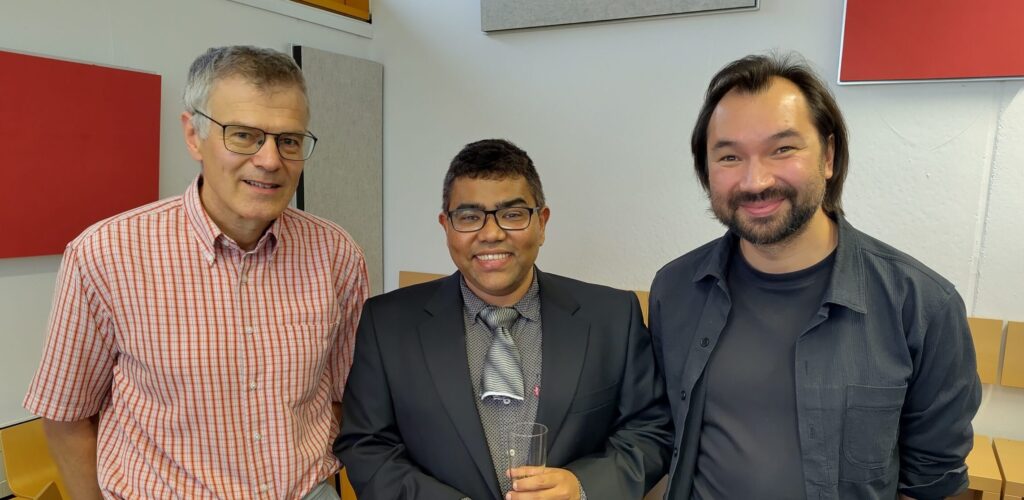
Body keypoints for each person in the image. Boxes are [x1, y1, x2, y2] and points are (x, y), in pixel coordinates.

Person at [23, 45, 368, 499]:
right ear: (193, 136)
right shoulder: (105, 255)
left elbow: (347, 398)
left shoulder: (337, 255)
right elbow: (66, 416)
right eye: (243, 135)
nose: (270, 160)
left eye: (288, 140)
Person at [650, 53, 982, 500]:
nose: (755, 180)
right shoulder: (675, 290)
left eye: (782, 149)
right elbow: (659, 433)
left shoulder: (922, 305)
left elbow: (934, 480)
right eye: (729, 156)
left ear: (828, 156)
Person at [336, 139, 671, 499]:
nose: (491, 234)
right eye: (469, 217)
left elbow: (650, 429)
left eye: (512, 215)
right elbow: (366, 445)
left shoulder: (612, 316)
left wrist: (583, 487)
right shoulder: (386, 325)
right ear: (446, 227)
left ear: (541, 223)